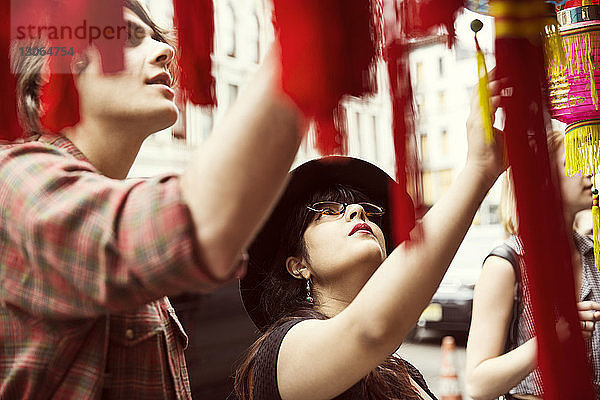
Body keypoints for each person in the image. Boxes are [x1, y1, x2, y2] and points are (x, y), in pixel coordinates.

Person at [0, 1, 303, 398]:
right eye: (125, 37)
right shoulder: (14, 179)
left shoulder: (107, 208)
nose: (166, 51)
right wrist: (303, 41)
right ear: (48, 75)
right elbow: (200, 224)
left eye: (158, 38)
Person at [234, 78, 506, 399]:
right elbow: (370, 330)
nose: (357, 212)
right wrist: (479, 170)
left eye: (370, 211)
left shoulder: (402, 371)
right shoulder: (279, 354)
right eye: (328, 210)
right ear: (298, 265)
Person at [465, 131, 600, 400]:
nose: (589, 172)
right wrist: (553, 338)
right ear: (543, 180)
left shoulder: (592, 256)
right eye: (574, 163)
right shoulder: (506, 264)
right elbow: (477, 385)